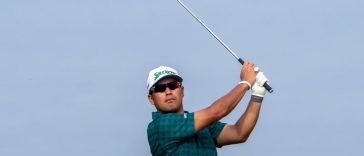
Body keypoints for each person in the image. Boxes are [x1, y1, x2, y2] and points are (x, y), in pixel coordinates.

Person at [146, 62, 269, 156]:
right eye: (160, 89)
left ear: (182, 91)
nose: (168, 92)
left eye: (173, 86)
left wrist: (257, 95)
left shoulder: (201, 124)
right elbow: (216, 112)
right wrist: (245, 83)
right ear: (151, 99)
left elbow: (239, 133)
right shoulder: (159, 126)